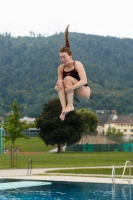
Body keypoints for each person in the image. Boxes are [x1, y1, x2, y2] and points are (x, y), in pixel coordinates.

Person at [55, 25, 91, 121]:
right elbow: (60, 84)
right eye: (61, 57)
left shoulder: (77, 64)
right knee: (60, 83)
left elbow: (84, 81)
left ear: (70, 56)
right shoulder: (60, 69)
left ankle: (70, 105)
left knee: (67, 79)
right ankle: (64, 109)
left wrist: (71, 87)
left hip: (84, 93)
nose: (62, 59)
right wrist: (57, 87)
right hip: (74, 94)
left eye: (64, 57)